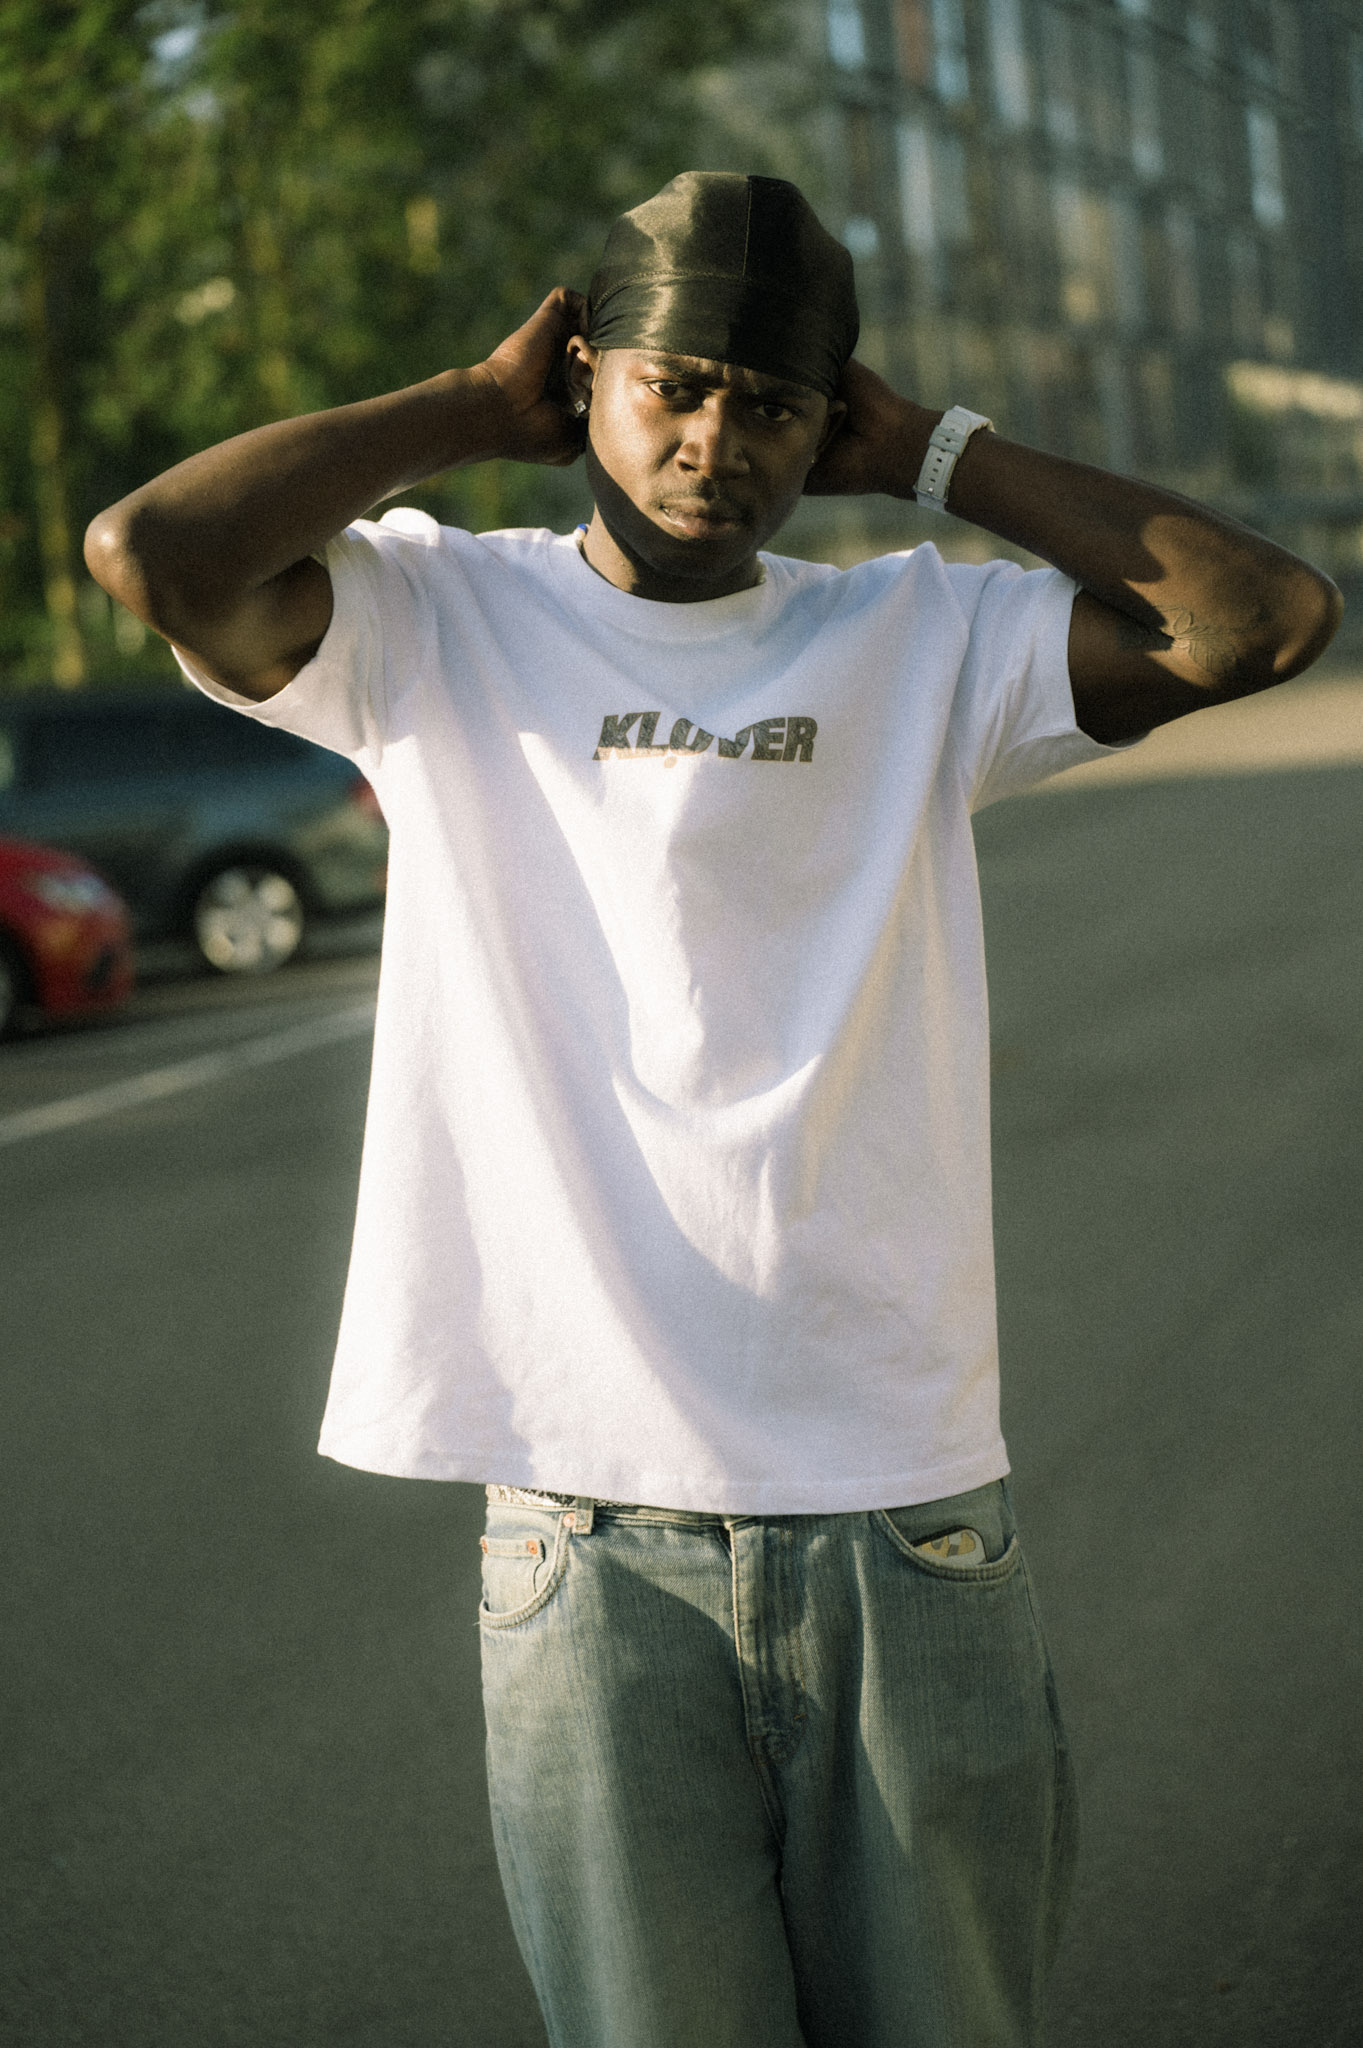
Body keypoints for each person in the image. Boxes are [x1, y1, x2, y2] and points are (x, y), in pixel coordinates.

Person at [86, 172, 1340, 2048]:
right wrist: (454, 407)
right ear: (582, 377)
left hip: (906, 1515)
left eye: (772, 402)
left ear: (826, 422)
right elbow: (151, 552)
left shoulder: (919, 641)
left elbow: (1263, 618)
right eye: (673, 384)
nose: (716, 439)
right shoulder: (430, 617)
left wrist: (932, 449)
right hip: (588, 1544)